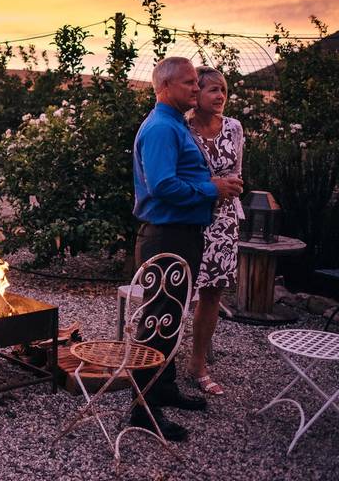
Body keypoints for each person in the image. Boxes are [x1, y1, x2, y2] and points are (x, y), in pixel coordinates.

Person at [131, 56, 243, 441]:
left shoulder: (175, 124)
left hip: (182, 234)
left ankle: (164, 389)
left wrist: (211, 185)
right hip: (167, 236)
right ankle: (144, 410)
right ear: (165, 88)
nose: (196, 89)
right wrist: (212, 188)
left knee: (169, 319)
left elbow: (178, 177)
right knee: (157, 324)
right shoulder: (162, 128)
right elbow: (162, 186)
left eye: (197, 83)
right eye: (188, 83)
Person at [186, 66, 243, 396]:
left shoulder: (234, 127)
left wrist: (232, 187)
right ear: (197, 94)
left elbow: (236, 171)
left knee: (212, 294)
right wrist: (211, 186)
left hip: (223, 221)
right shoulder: (183, 128)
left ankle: (198, 363)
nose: (220, 96)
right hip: (190, 217)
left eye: (223, 90)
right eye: (212, 90)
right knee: (181, 289)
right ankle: (157, 360)